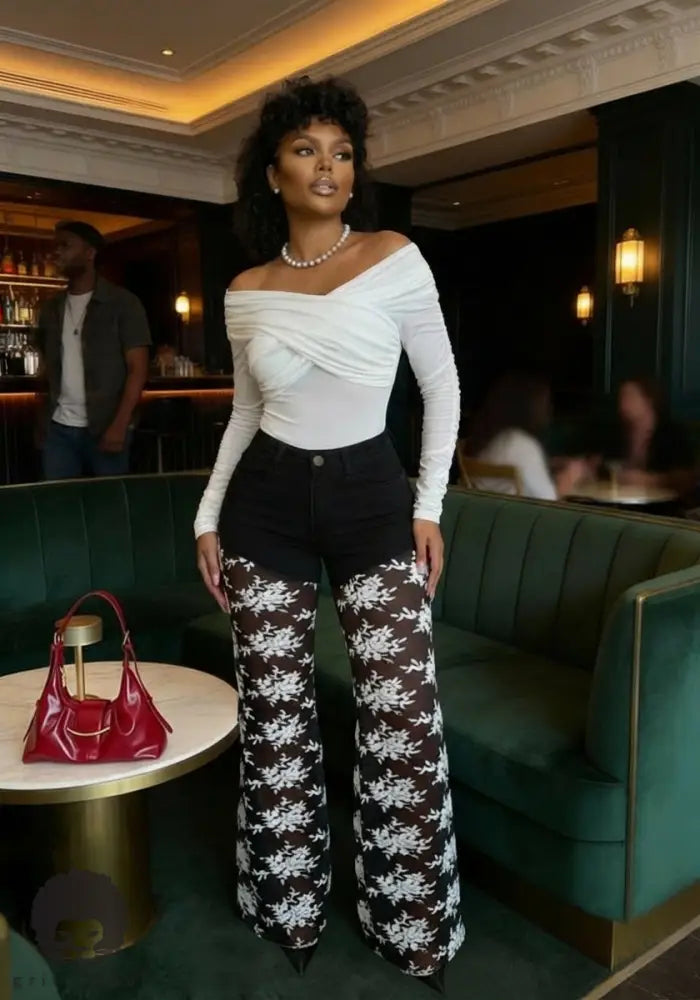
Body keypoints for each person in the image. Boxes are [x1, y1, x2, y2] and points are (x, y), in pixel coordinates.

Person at [194, 76, 465, 991]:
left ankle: (412, 921)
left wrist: (428, 506)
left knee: (403, 717)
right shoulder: (246, 290)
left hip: (372, 501)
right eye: (306, 149)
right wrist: (207, 516)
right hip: (264, 505)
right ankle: (289, 908)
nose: (328, 166)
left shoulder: (394, 258)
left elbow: (441, 386)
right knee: (275, 716)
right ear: (272, 172)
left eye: (343, 153)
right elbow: (244, 414)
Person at [36, 221, 151, 479]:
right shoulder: (51, 308)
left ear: (90, 253)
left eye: (65, 245)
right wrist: (42, 420)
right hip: (59, 429)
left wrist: (120, 425)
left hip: (106, 424)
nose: (57, 252)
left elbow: (138, 369)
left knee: (108, 501)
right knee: (58, 500)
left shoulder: (123, 303)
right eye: (56, 246)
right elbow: (46, 366)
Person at [465, 371, 590, 499]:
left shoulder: (497, 439)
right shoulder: (523, 445)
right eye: (545, 403)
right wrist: (570, 477)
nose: (549, 409)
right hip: (514, 511)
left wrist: (548, 464)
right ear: (530, 407)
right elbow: (549, 500)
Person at [607, 377, 696, 495]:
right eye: (621, 398)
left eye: (630, 397)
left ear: (649, 400)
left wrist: (651, 480)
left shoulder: (671, 433)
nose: (623, 404)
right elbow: (606, 467)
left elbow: (688, 478)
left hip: (662, 502)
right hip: (622, 499)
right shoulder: (617, 433)